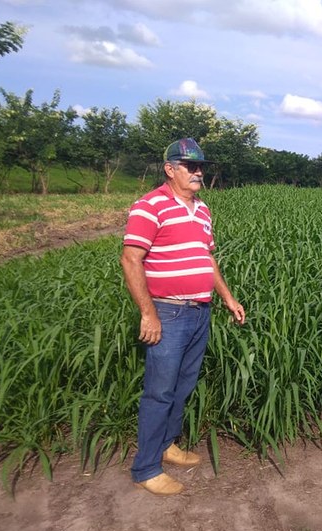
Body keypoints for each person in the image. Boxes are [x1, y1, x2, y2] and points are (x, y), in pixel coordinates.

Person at [120, 137, 246, 496]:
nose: (198, 172)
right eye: (190, 166)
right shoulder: (150, 206)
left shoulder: (202, 210)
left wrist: (227, 297)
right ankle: (145, 468)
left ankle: (166, 445)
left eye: (200, 166)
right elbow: (130, 259)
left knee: (182, 386)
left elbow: (206, 258)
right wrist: (148, 313)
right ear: (170, 169)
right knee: (159, 391)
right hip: (168, 313)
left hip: (199, 311)